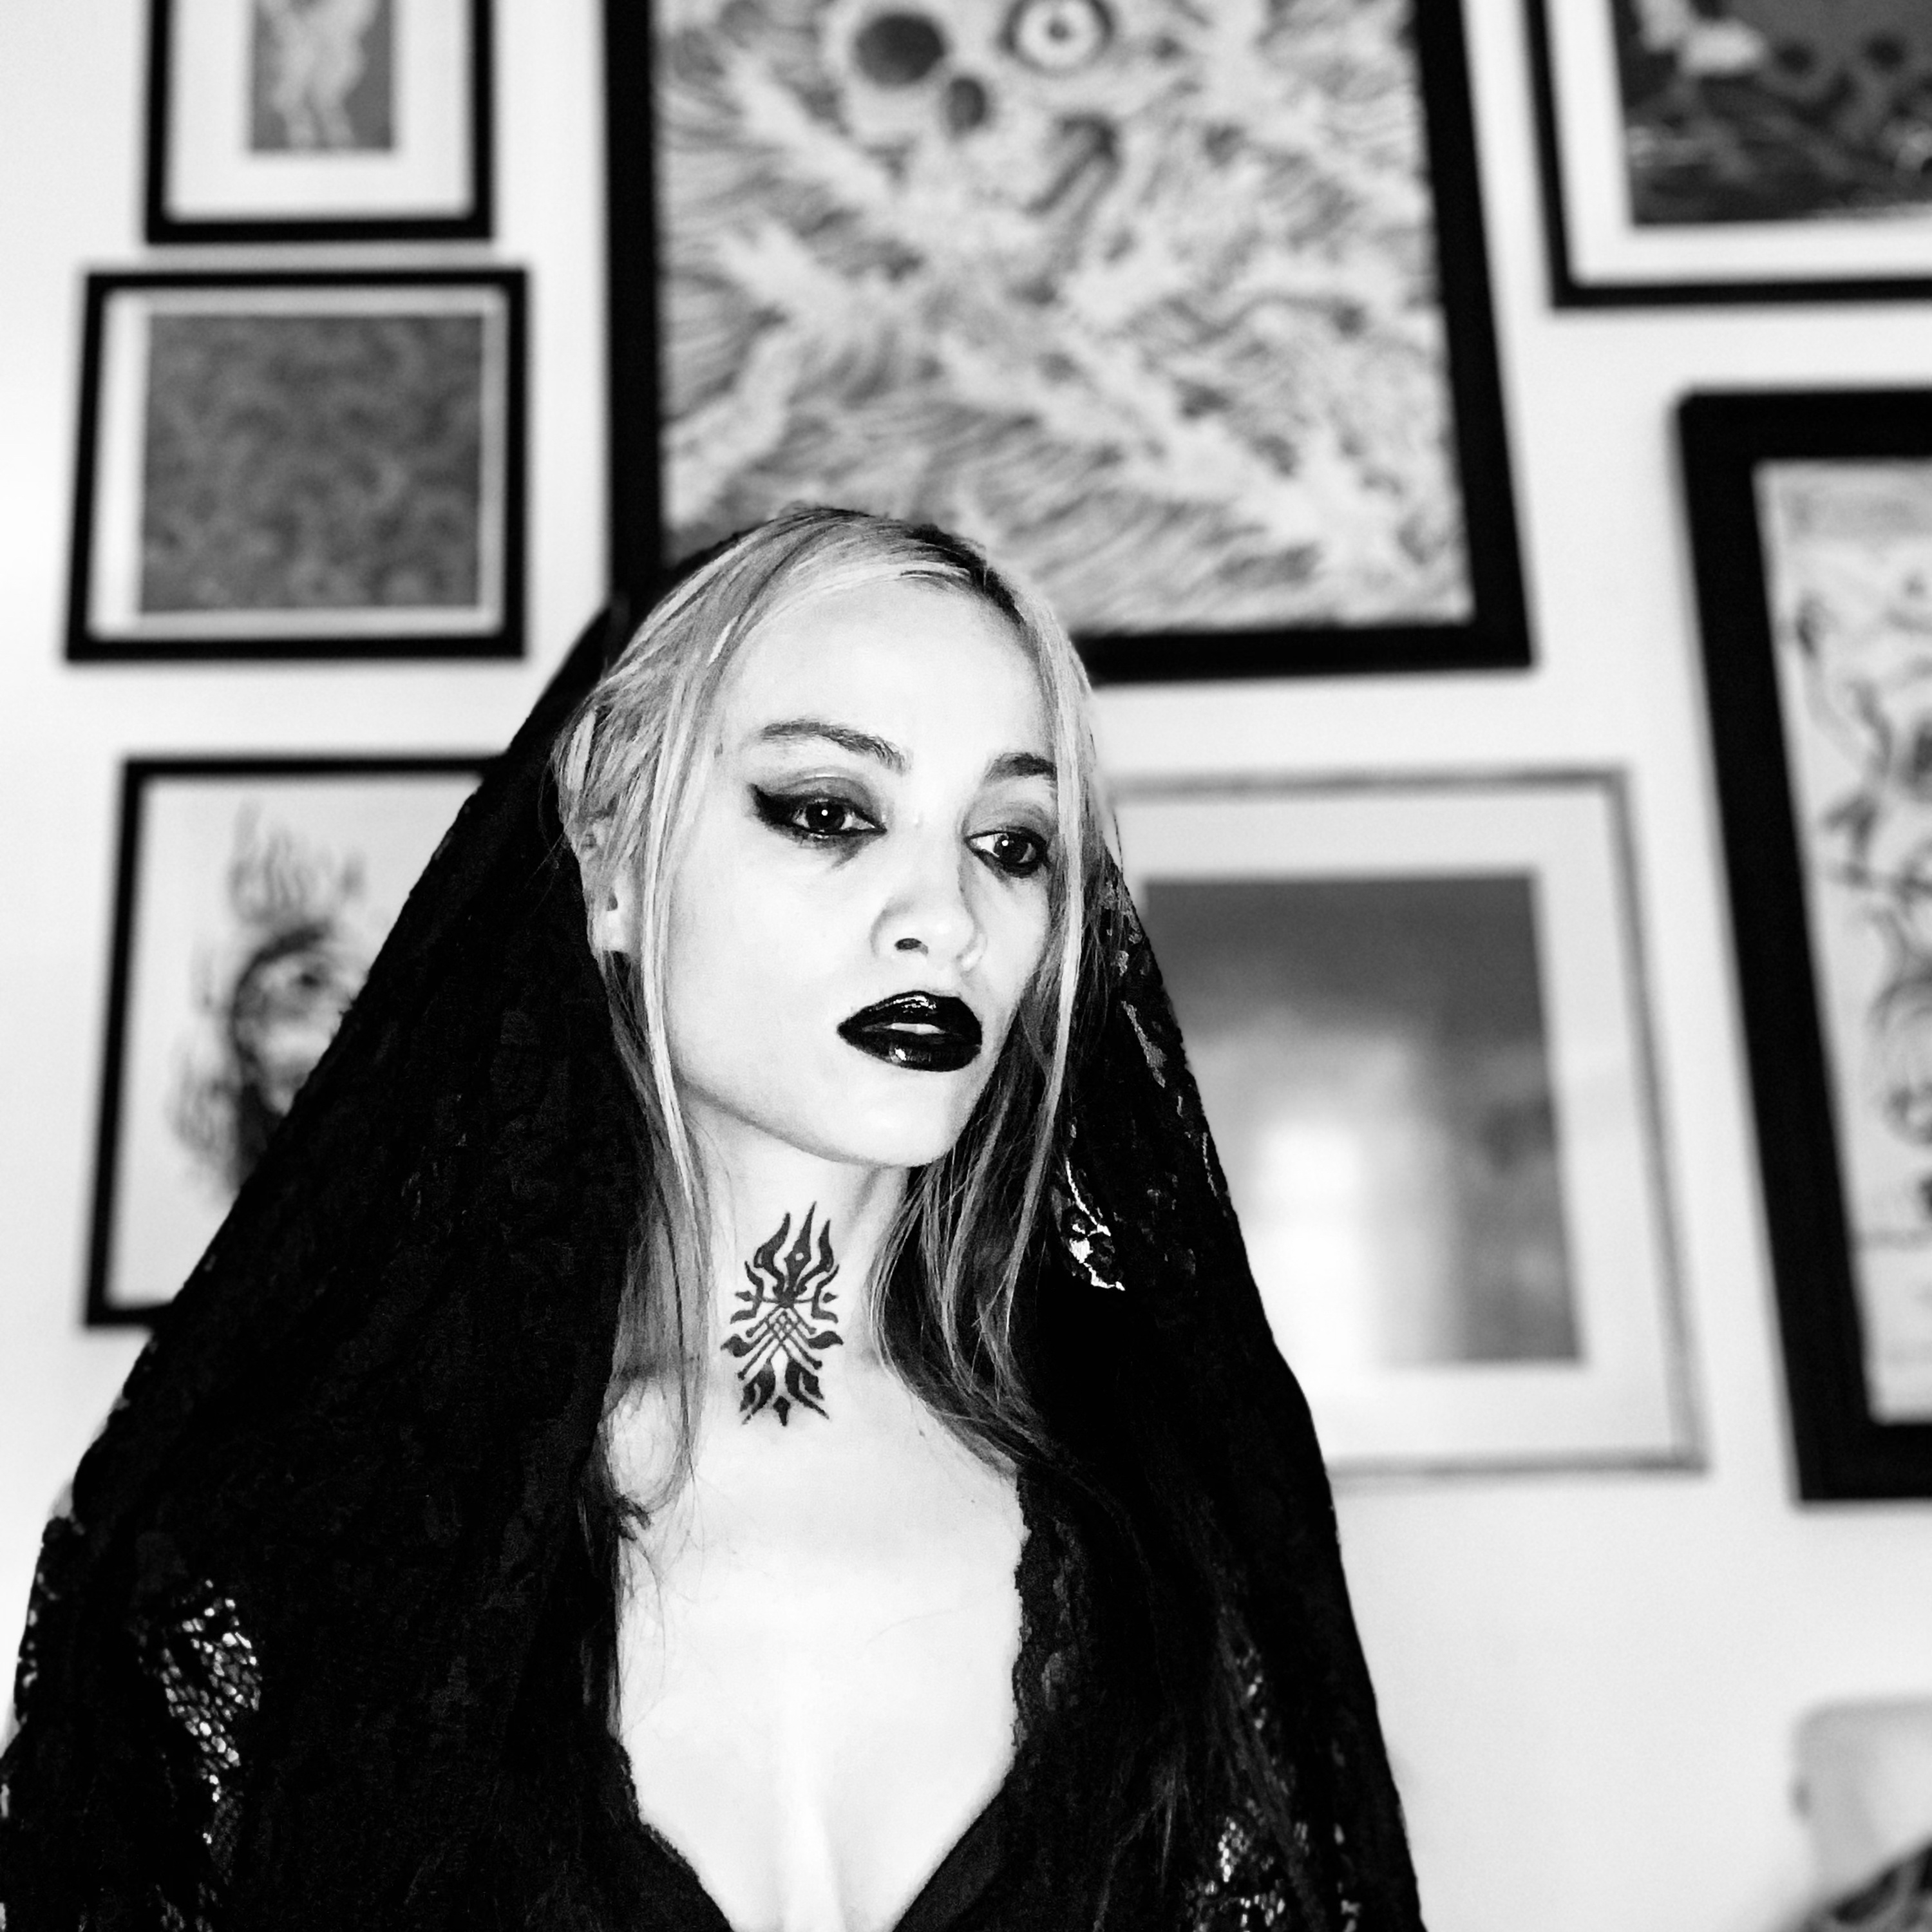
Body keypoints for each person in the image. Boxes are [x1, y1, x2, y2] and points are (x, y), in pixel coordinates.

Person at [0, 507, 1423, 1929]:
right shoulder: (275, 1550)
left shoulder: (1175, 1528)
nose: (946, 916)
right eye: (828, 812)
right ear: (611, 854)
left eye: (1011, 842)